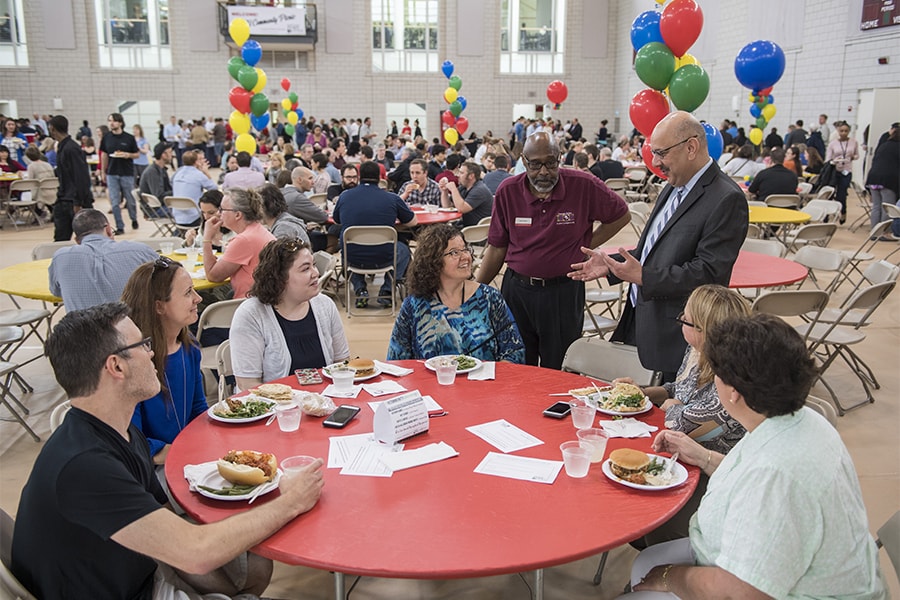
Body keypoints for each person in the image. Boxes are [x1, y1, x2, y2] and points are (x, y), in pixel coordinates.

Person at [11, 303, 325, 600]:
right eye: (143, 345)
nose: (152, 353)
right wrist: (291, 501)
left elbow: (170, 531)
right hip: (130, 591)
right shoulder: (83, 465)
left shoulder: (120, 432)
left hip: (143, 570)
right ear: (116, 366)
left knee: (254, 561)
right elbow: (194, 552)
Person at [622, 313, 887, 599]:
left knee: (645, 574)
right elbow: (751, 471)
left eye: (716, 377)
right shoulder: (798, 419)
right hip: (745, 559)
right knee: (645, 562)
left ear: (733, 392)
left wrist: (671, 577)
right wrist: (701, 456)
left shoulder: (776, 475)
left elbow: (741, 591)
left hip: (764, 587)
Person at [569, 111, 748, 380]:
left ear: (691, 147)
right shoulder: (673, 186)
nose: (655, 162)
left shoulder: (725, 198)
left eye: (661, 153)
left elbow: (710, 274)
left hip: (674, 333)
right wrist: (611, 265)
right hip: (640, 317)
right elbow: (651, 251)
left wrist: (644, 277)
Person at [476, 131, 630, 369]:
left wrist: (585, 244)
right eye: (535, 164)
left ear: (560, 158)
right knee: (515, 364)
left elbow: (621, 215)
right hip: (517, 291)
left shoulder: (583, 185)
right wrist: (475, 291)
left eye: (550, 163)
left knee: (558, 367)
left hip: (563, 293)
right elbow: (497, 248)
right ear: (524, 162)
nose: (544, 172)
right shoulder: (509, 191)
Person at [387, 225, 524, 363]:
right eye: (454, 253)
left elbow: (514, 351)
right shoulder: (415, 305)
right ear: (434, 261)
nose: (465, 257)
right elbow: (396, 360)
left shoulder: (490, 298)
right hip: (431, 383)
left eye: (465, 249)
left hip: (484, 383)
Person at [231, 238, 349, 389]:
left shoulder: (324, 305)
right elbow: (248, 384)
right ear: (280, 278)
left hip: (323, 403)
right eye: (305, 269)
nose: (316, 273)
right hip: (274, 406)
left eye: (313, 265)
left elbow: (342, 363)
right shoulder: (251, 315)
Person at [121, 257, 206, 465]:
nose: (198, 299)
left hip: (187, 457)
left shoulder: (189, 346)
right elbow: (132, 443)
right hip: (152, 469)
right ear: (159, 307)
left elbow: (198, 409)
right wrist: (185, 453)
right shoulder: (132, 364)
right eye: (188, 293)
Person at [332, 161, 417, 309]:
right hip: (384, 257)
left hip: (353, 257)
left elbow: (337, 220)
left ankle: (360, 289)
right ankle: (387, 289)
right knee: (403, 250)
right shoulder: (392, 198)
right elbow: (412, 222)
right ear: (379, 177)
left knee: (347, 245)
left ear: (359, 177)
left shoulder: (345, 197)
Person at [49, 209, 159, 311]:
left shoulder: (60, 257)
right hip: (135, 329)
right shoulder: (140, 251)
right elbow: (167, 283)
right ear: (108, 230)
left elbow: (56, 292)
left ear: (77, 240)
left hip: (82, 330)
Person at [201, 187, 275, 299]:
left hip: (248, 305)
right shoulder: (258, 230)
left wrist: (207, 238)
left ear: (238, 215)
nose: (218, 213)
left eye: (222, 210)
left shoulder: (244, 240)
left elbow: (213, 276)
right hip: (262, 299)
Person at [47, 115, 94, 241]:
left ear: (52, 128)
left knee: (87, 238)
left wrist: (78, 202)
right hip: (64, 199)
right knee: (60, 239)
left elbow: (81, 177)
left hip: (74, 201)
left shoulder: (71, 148)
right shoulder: (62, 147)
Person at [100, 113, 140, 234]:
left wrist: (128, 155)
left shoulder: (129, 138)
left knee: (130, 199)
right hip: (112, 172)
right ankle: (120, 226)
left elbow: (137, 154)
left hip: (126, 172)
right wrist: (103, 171)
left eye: (114, 121)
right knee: (114, 200)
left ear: (120, 123)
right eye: (109, 121)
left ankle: (133, 218)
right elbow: (105, 155)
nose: (111, 123)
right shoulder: (106, 137)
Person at [865, 124, 899, 239]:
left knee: (876, 206)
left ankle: (874, 232)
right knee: (888, 207)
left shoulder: (884, 145)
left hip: (873, 178)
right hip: (888, 180)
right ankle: (884, 233)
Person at [439, 160, 493, 227]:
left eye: (461, 173)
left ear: (471, 176)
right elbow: (447, 206)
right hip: (466, 225)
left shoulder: (479, 190)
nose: (458, 175)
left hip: (475, 230)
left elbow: (462, 209)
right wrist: (444, 191)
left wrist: (453, 189)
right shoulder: (463, 187)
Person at [171, 149, 217, 228]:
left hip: (177, 216)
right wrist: (206, 173)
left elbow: (172, 183)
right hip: (194, 217)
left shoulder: (177, 173)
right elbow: (214, 189)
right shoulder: (198, 175)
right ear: (196, 162)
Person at [825, 120, 860, 223]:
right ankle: (826, 214)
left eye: (846, 131)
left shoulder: (853, 142)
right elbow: (828, 159)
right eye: (842, 131)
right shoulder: (833, 143)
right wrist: (834, 161)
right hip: (834, 170)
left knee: (842, 194)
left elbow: (857, 155)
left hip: (847, 171)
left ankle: (843, 212)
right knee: (830, 193)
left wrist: (853, 157)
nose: (844, 133)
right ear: (838, 131)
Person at [139, 141, 174, 207]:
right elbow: (158, 196)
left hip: (160, 205)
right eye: (170, 152)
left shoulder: (161, 169)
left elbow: (168, 189)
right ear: (163, 155)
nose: (172, 155)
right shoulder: (152, 172)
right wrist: (177, 191)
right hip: (154, 208)